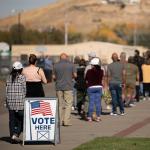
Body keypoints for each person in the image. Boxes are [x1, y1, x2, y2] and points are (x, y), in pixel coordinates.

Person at [53, 53, 77, 126]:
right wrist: (70, 77)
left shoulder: (55, 65)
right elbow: (75, 75)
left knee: (60, 104)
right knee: (68, 104)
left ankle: (59, 121)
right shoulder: (71, 64)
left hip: (58, 87)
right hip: (68, 86)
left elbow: (53, 77)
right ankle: (66, 121)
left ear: (60, 58)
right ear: (67, 57)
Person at [6, 61, 26, 143]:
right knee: (22, 119)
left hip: (10, 101)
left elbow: (6, 90)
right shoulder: (22, 77)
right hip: (19, 102)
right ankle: (16, 133)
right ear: (20, 69)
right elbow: (24, 90)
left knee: (12, 120)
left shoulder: (8, 77)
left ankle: (12, 137)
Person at [85, 57, 104, 122]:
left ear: (92, 64)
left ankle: (89, 117)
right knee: (98, 103)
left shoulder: (89, 71)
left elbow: (86, 79)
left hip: (91, 87)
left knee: (91, 103)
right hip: (99, 87)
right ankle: (98, 117)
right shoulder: (101, 71)